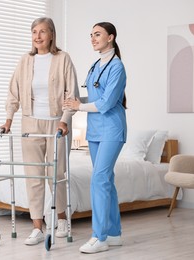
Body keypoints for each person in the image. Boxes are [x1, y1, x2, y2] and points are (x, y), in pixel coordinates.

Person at [0, 17, 79, 246]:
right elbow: (13, 93)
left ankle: (62, 219)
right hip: (30, 123)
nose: (38, 36)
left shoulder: (63, 58)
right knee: (33, 175)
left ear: (52, 35)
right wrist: (8, 120)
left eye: (43, 31)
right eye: (34, 31)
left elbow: (71, 92)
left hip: (57, 124)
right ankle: (37, 227)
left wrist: (65, 120)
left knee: (58, 174)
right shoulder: (25, 61)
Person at [64, 22, 127, 254]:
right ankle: (114, 233)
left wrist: (79, 106)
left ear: (110, 37)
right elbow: (92, 97)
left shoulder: (117, 67)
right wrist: (73, 101)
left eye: (97, 34)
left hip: (112, 129)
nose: (93, 38)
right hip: (95, 131)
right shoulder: (94, 65)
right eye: (91, 35)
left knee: (99, 179)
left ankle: (99, 237)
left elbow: (107, 103)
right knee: (106, 180)